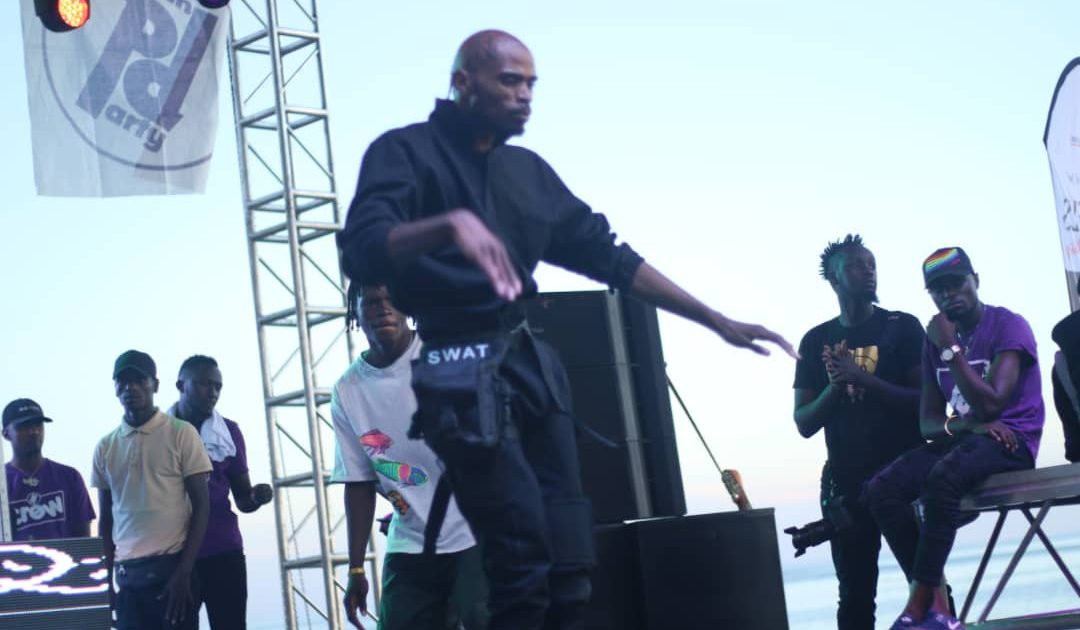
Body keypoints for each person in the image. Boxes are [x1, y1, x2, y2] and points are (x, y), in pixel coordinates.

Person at [336, 29, 795, 630]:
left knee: (571, 566)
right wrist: (447, 227)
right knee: (519, 566)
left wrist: (715, 318)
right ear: (463, 82)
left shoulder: (527, 173)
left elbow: (612, 258)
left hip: (529, 364)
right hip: (458, 368)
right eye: (509, 80)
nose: (524, 95)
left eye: (531, 83)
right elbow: (362, 248)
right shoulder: (404, 153)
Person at [865, 247, 1044, 630]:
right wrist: (967, 427)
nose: (948, 294)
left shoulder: (1008, 325)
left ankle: (920, 607)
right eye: (938, 289)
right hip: (970, 441)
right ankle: (936, 603)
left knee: (942, 480)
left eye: (956, 283)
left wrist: (951, 350)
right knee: (881, 489)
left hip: (1012, 440)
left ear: (975, 281)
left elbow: (992, 404)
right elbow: (928, 424)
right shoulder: (934, 342)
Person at [332, 283, 488, 630]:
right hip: (411, 542)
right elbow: (358, 482)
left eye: (393, 299)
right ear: (356, 312)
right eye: (372, 301)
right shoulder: (347, 389)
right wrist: (356, 568)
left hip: (475, 531)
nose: (383, 308)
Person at [793, 235, 924, 630]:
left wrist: (861, 378)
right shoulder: (815, 341)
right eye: (855, 265)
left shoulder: (902, 327)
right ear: (834, 280)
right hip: (845, 485)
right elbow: (804, 422)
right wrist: (837, 386)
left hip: (904, 479)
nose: (868, 271)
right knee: (855, 596)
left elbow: (923, 402)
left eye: (871, 263)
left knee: (927, 585)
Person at [92, 350, 213, 630]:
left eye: (139, 380)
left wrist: (184, 572)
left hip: (173, 572)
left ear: (155, 385)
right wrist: (104, 581)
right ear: (115, 388)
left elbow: (202, 507)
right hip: (127, 577)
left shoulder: (181, 433)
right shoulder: (106, 446)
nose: (130, 387)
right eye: (123, 381)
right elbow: (106, 520)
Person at [170, 355, 273, 630]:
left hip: (223, 551)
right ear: (180, 385)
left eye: (218, 386)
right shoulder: (159, 432)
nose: (213, 392)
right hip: (174, 554)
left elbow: (243, 499)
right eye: (204, 384)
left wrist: (256, 497)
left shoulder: (229, 431)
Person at [3, 398, 95, 541]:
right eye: (24, 426)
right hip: (16, 556)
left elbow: (84, 540)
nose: (34, 431)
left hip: (64, 556)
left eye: (38, 424)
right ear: (6, 434)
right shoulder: (3, 483)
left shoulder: (69, 477)